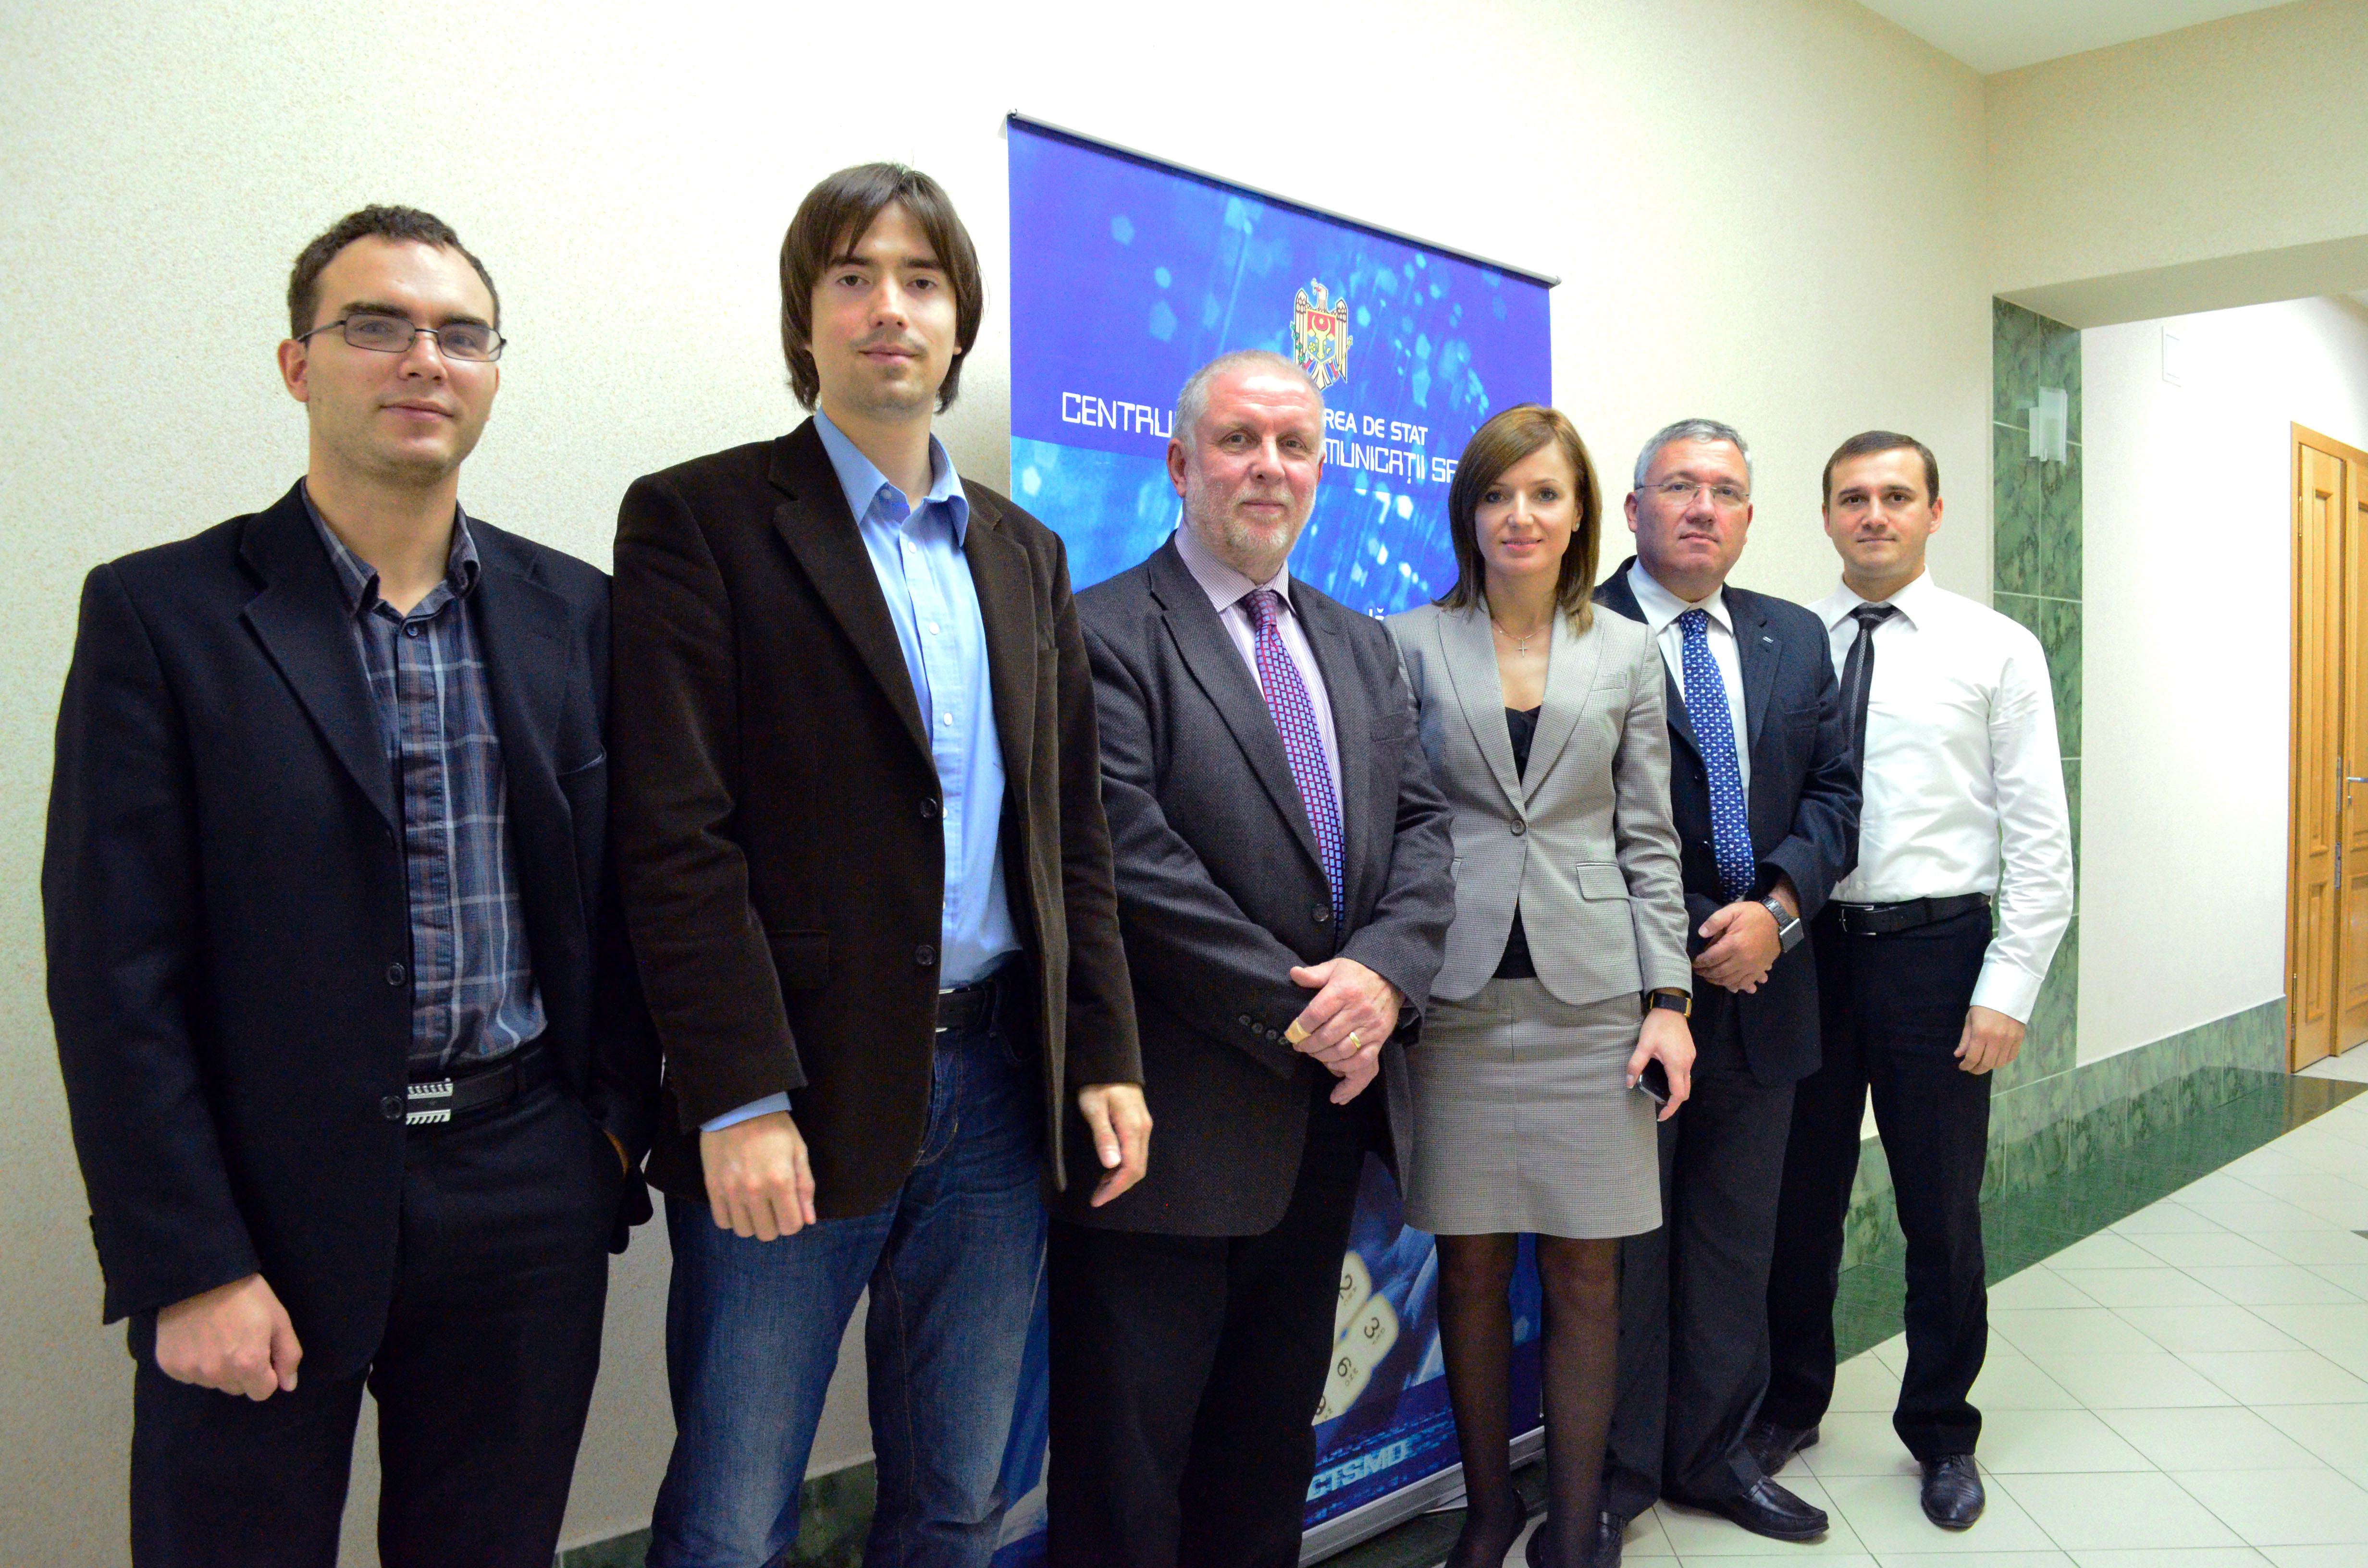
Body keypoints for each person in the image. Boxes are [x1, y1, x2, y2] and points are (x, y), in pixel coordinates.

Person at [44, 205, 658, 1568]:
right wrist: (189, 1262)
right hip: (262, 1202)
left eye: (460, 335)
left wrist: (605, 1142)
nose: (422, 360)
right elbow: (112, 969)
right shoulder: (162, 615)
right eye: (375, 326)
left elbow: (624, 901)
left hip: (522, 1189)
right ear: (297, 364)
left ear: (491, 372)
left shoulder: (576, 612)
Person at [609, 163, 1148, 1568]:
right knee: (733, 1518)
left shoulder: (1025, 553)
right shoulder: (699, 521)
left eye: (921, 280)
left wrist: (1103, 1053)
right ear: (807, 318)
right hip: (795, 1094)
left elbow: (1071, 837)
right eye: (852, 279)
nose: (888, 309)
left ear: (960, 322)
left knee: (957, 1499)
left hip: (997, 1093)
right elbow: (674, 836)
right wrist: (735, 1093)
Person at [1046, 348, 1455, 1568]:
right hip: (1163, 1131)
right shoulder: (1097, 631)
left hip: (1323, 1125)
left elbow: (1423, 832)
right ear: (1180, 464)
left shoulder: (1362, 644)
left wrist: (1382, 979)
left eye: (1294, 445)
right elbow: (1128, 859)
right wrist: (1313, 1014)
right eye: (1237, 441)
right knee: (1127, 1471)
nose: (1268, 467)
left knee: (1267, 1450)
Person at [1388, 404, 1695, 1568]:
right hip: (1454, 1004)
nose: (1519, 515)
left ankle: (1573, 1525)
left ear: (1579, 517)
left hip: (1593, 1006)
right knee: (1467, 1266)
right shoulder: (1405, 643)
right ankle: (1486, 1513)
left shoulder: (1626, 652)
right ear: (1467, 512)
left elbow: (1649, 840)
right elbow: (1391, 829)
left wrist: (1668, 1002)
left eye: (1544, 495)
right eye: (1496, 494)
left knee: (1584, 1273)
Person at [1757, 431, 2073, 1530]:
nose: (1873, 515)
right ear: (1826, 516)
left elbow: (2040, 835)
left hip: (1937, 959)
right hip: (1808, 953)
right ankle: (1789, 1401)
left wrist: (2007, 987)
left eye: (1896, 496)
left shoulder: (1996, 650)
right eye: (1852, 498)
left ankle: (1941, 1428)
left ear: (1934, 512)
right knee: (1798, 1198)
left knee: (1939, 1207)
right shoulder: (1793, 646)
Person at [1593, 420, 1861, 1549]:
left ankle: (1714, 1456)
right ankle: (1611, 1475)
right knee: (1622, 1252)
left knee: (1732, 1242)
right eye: (1679, 487)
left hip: (1765, 991)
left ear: (1750, 517)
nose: (1702, 507)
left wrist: (1778, 916)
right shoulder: (1575, 628)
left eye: (1726, 491)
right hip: (1621, 999)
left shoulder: (1793, 637)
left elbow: (1836, 798)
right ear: (1634, 510)